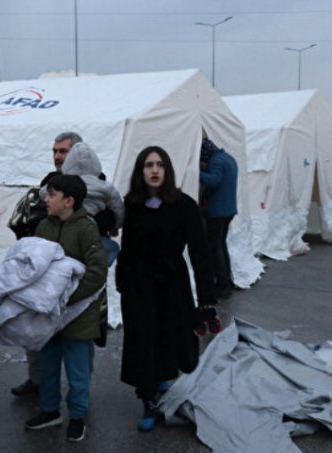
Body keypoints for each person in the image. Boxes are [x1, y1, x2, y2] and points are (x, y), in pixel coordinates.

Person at [116, 146, 219, 432]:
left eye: (160, 164)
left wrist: (207, 299)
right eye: (148, 164)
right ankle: (148, 399)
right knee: (143, 340)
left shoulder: (184, 205)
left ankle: (161, 373)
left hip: (172, 286)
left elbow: (200, 253)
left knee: (168, 336)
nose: (154, 170)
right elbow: (127, 248)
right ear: (141, 170)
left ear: (168, 170)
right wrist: (121, 281)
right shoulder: (131, 205)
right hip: (139, 287)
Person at [9, 131, 116, 398]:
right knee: (38, 326)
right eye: (55, 151)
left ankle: (80, 390)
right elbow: (35, 215)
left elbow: (112, 221)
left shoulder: (98, 184)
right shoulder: (50, 183)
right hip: (49, 272)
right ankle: (38, 382)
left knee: (82, 331)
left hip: (83, 276)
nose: (57, 156)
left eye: (63, 151)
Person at [23, 175, 108, 442]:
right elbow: (33, 264)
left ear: (68, 201)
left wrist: (68, 298)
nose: (45, 199)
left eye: (51, 194)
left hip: (78, 317)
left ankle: (78, 416)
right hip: (49, 317)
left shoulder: (86, 229)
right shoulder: (43, 227)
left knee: (77, 371)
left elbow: (97, 271)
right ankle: (49, 410)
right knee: (47, 365)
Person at [61, 142, 125, 266]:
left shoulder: (63, 183)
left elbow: (44, 193)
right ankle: (99, 267)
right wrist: (116, 225)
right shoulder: (104, 185)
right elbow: (118, 208)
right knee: (112, 248)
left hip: (68, 231)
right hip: (95, 230)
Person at [199, 137, 238, 299]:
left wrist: (196, 171)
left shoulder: (216, 161)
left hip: (218, 211)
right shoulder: (228, 158)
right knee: (221, 245)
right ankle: (226, 281)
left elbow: (214, 180)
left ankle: (222, 286)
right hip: (228, 210)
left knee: (214, 248)